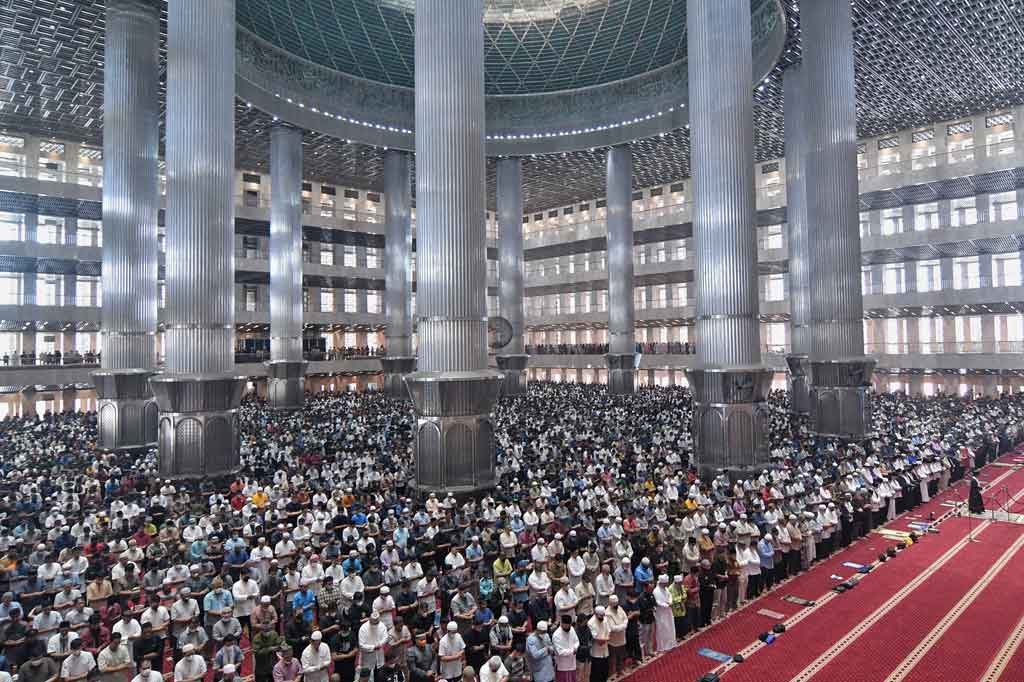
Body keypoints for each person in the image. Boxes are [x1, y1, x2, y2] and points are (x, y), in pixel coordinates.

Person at [357, 611, 390, 677]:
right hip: (367, 658)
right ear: (370, 619)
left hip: (379, 656)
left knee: (379, 676)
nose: (375, 624)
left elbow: (385, 637)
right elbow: (361, 645)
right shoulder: (363, 628)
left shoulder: (382, 625)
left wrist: (380, 644)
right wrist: (373, 647)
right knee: (367, 677)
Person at [551, 615, 579, 682]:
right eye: (566, 626)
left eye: (569, 625)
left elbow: (577, 641)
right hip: (562, 665)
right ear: (561, 623)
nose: (568, 627)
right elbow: (560, 652)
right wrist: (572, 651)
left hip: (572, 662)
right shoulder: (556, 635)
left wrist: (575, 647)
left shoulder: (571, 629)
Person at [651, 574, 675, 653]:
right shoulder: (656, 591)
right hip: (661, 613)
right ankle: (663, 646)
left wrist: (670, 602)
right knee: (662, 629)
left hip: (668, 611)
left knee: (669, 628)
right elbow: (657, 602)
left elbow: (670, 595)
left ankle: (670, 644)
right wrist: (666, 605)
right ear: (661, 583)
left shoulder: (665, 589)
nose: (666, 585)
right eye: (665, 584)